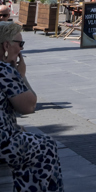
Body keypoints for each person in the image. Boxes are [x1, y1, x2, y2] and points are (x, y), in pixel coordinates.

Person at [0, 21, 64, 191]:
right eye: (20, 44)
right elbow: (29, 106)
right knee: (45, 146)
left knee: (29, 137)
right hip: (2, 142)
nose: (21, 49)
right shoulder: (4, 71)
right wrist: (21, 76)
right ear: (6, 45)